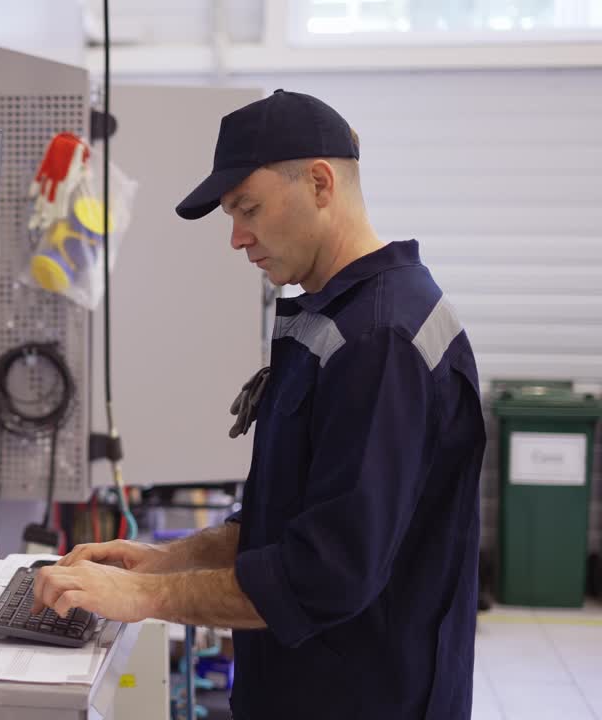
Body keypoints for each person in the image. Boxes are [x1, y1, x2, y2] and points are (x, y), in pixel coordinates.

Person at [32, 90, 486, 719]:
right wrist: (162, 562)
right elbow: (286, 516)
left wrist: (141, 598)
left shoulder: (379, 342)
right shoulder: (332, 315)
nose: (237, 237)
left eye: (248, 208)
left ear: (321, 184)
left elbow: (323, 575)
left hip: (363, 698)